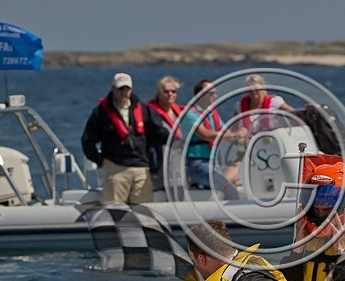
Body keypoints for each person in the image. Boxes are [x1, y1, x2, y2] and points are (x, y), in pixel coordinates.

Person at [81, 72, 169, 204]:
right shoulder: (101, 113)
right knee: (116, 214)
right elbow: (88, 140)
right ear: (113, 89)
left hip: (141, 169)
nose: (123, 92)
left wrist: (176, 142)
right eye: (120, 89)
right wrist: (102, 161)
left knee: (144, 212)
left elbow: (158, 132)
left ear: (131, 90)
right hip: (116, 169)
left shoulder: (143, 109)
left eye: (126, 89)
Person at [180, 79, 247, 199]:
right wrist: (232, 135)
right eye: (210, 93)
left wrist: (240, 137)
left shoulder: (212, 114)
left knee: (238, 182)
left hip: (213, 164)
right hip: (197, 165)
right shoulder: (189, 114)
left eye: (215, 93)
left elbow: (226, 133)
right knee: (230, 190)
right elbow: (205, 134)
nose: (214, 96)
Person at [146, 76, 184, 177]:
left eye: (173, 91)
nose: (170, 94)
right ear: (159, 93)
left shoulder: (178, 112)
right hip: (159, 161)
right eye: (166, 91)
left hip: (178, 159)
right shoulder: (150, 112)